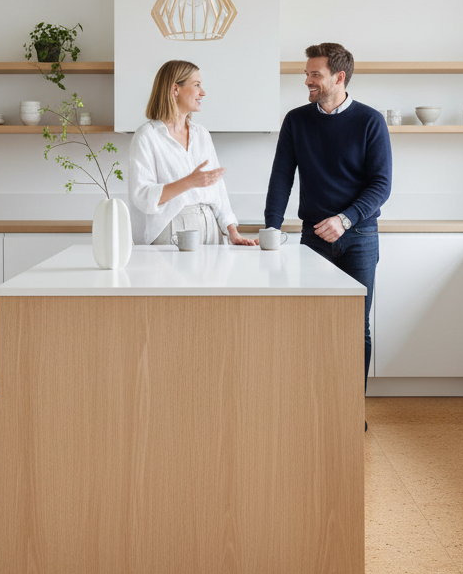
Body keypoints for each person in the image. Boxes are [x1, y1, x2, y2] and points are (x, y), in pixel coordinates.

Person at [264, 43, 392, 427]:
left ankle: (350, 412)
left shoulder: (370, 121)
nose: (307, 80)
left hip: (359, 237)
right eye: (307, 74)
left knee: (355, 328)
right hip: (313, 240)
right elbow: (281, 178)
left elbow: (381, 185)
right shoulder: (296, 121)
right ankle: (315, 408)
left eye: (314, 74)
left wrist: (345, 219)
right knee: (313, 327)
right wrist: (271, 227)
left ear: (339, 77)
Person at [128, 60, 258, 247]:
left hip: (211, 229)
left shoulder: (201, 134)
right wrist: (189, 182)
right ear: (175, 89)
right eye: (196, 85)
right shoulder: (147, 136)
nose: (202, 92)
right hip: (173, 230)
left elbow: (219, 191)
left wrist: (232, 232)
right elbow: (142, 196)